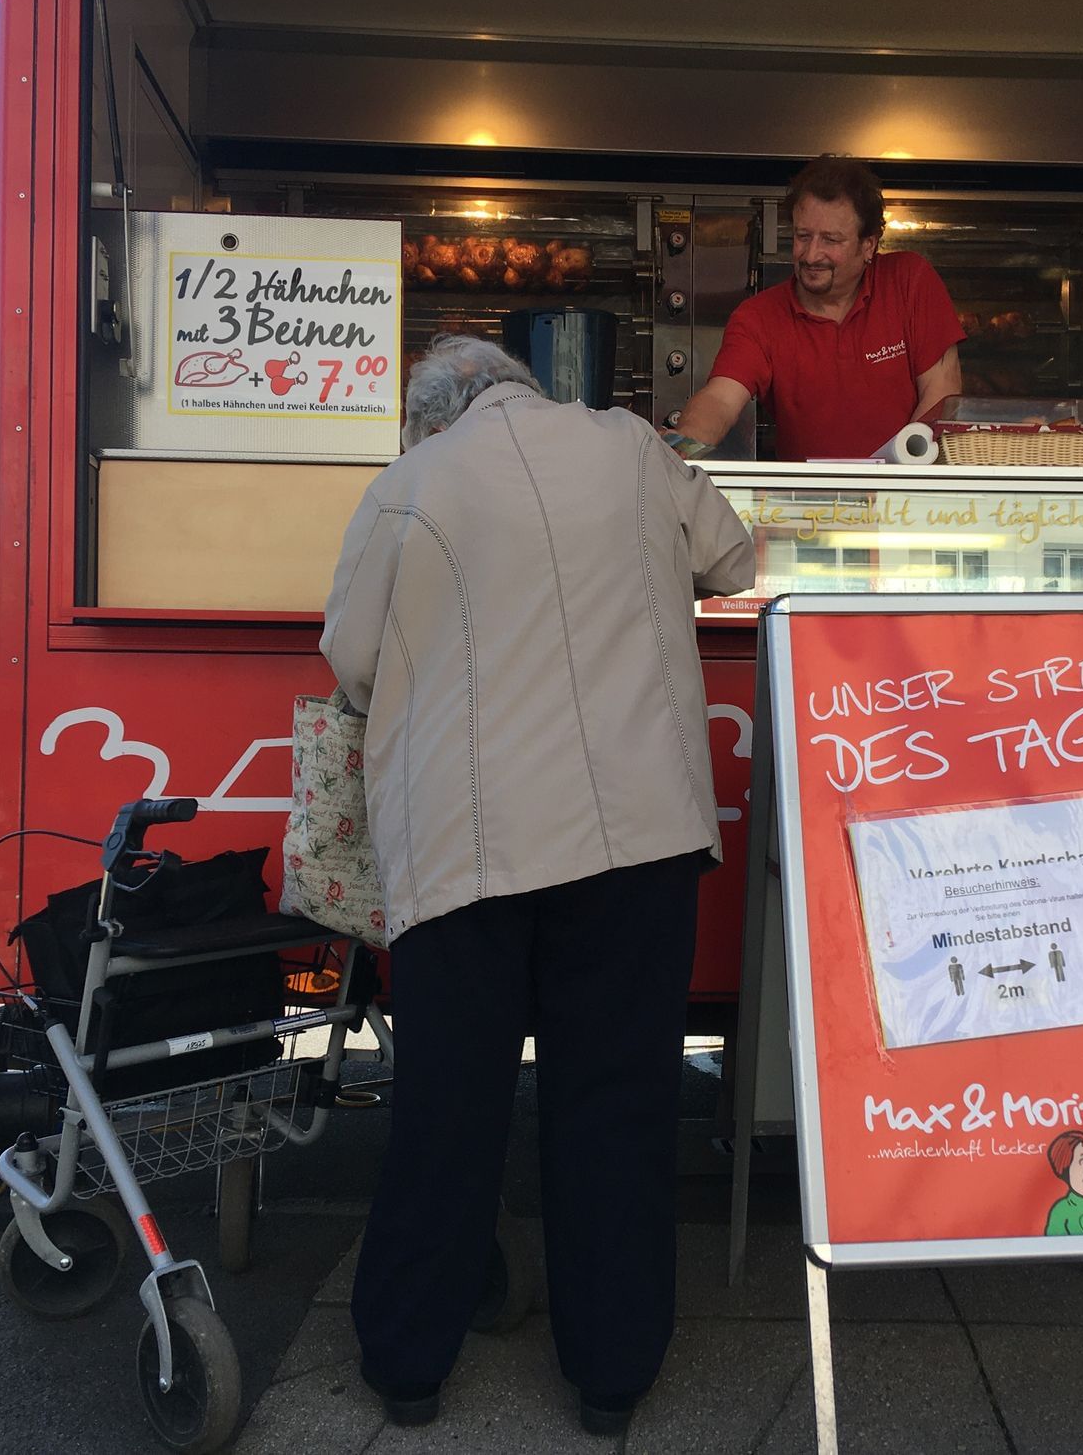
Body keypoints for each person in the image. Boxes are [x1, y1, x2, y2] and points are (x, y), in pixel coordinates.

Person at [320, 335, 756, 1436]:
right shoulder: (631, 447)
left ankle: (407, 1367)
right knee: (617, 1101)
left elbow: (352, 658)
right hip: (637, 835)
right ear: (518, 383)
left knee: (448, 1105)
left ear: (434, 414)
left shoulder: (410, 481)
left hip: (467, 844)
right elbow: (733, 560)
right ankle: (612, 1376)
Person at [666, 154, 965, 460]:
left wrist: (900, 476)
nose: (811, 255)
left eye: (830, 240)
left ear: (868, 245)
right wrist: (681, 448)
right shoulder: (759, 316)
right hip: (806, 491)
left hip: (906, 486)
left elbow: (941, 393)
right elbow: (720, 399)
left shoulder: (909, 280)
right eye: (803, 236)